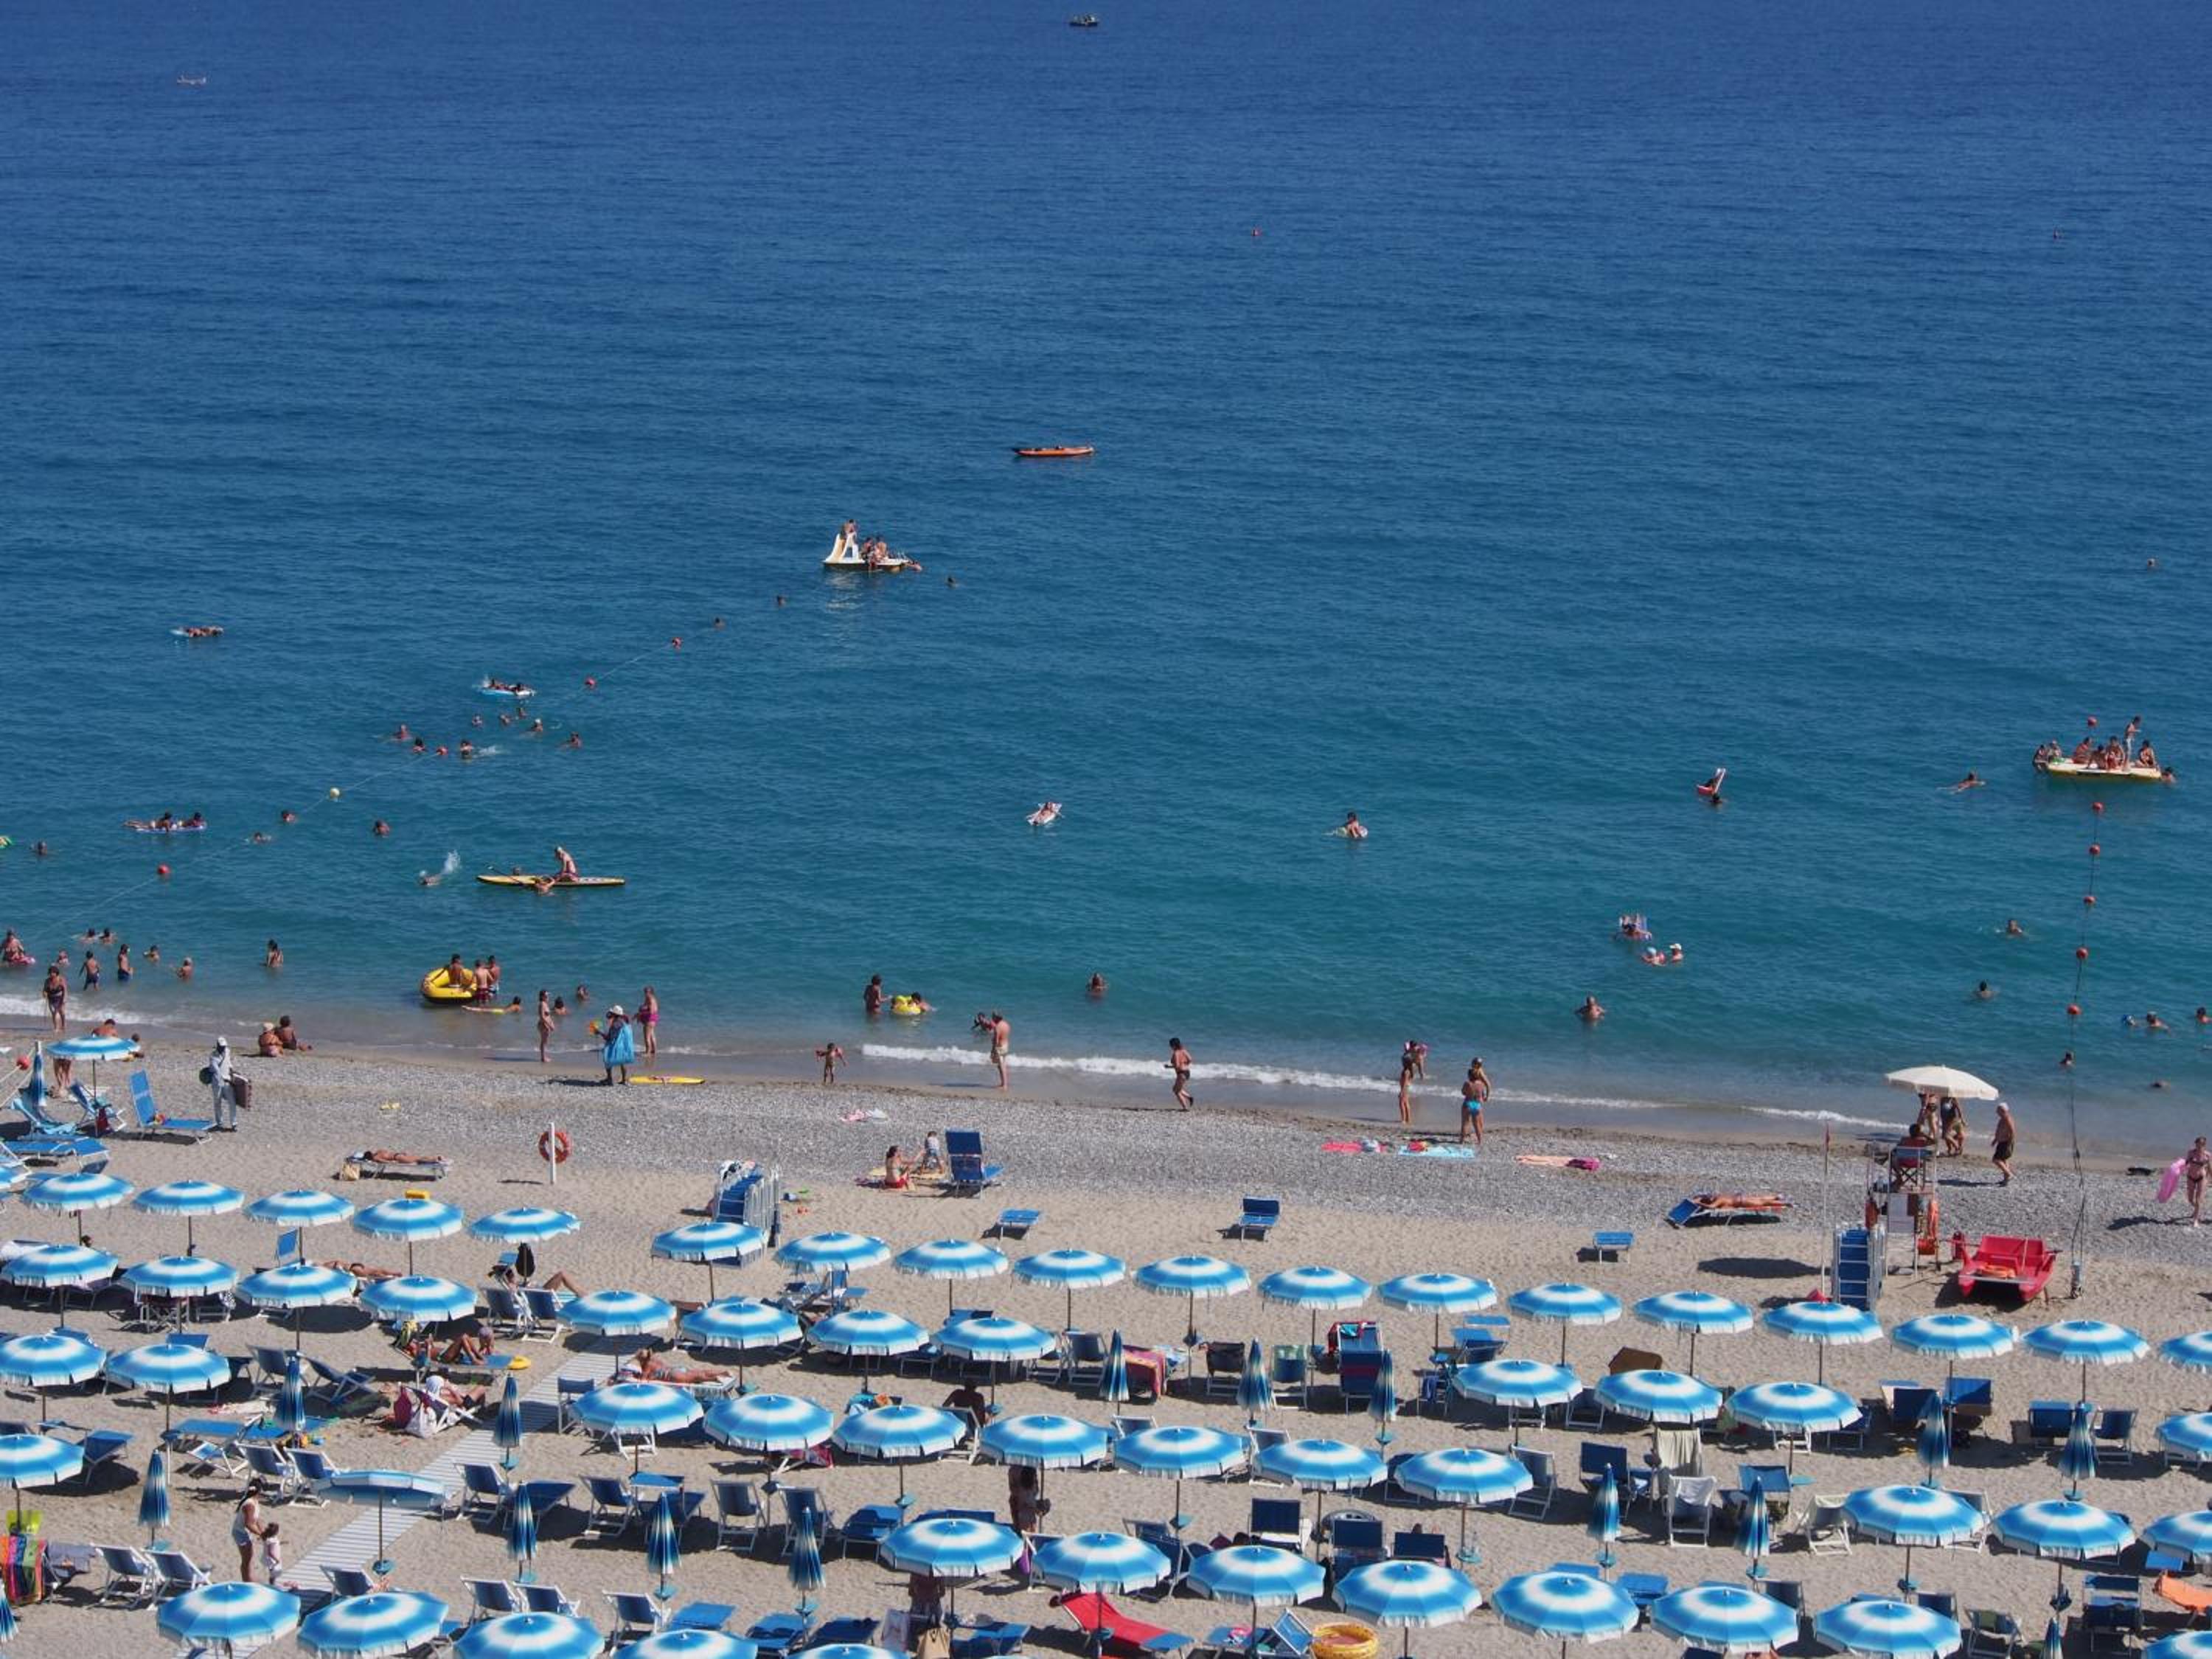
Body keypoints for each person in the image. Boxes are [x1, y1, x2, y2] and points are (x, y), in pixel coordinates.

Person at [232, 1481, 268, 1580]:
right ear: (258, 1491)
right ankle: (247, 1581)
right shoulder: (249, 1505)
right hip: (241, 1533)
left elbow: (256, 1519)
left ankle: (248, 1579)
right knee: (247, 1559)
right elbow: (249, 1524)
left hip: (243, 1532)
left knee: (249, 1558)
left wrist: (263, 1532)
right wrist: (260, 1534)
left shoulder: (253, 1500)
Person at [209, 1035, 239, 1130]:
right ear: (217, 1046)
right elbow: (217, 1071)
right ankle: (219, 1123)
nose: (223, 1048)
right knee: (217, 1103)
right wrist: (224, 1078)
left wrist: (232, 1072)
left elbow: (228, 1062)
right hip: (217, 1083)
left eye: (224, 1047)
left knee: (232, 1102)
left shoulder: (227, 1051)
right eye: (221, 1047)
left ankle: (234, 1123)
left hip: (227, 1082)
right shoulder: (213, 1056)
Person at [601, 1004, 635, 1085]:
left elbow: (609, 1038)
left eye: (612, 1013)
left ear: (614, 1014)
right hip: (623, 1045)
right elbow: (608, 1016)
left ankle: (609, 1079)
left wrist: (599, 1032)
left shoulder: (615, 1024)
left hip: (616, 1045)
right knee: (623, 1062)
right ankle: (624, 1080)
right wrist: (611, 1015)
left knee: (607, 1061)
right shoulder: (624, 1021)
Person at [1460, 1057, 1489, 1146]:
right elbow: (1482, 1094)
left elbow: (1463, 1092)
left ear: (1469, 1076)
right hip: (1477, 1105)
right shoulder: (1481, 1084)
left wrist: (1468, 1093)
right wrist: (1485, 1097)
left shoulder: (1467, 1083)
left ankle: (1462, 1140)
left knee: (1465, 1123)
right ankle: (1479, 1141)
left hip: (1468, 1104)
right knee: (1477, 1124)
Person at [1991, 1101, 2017, 1186]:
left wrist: (2009, 1143)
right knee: (2004, 1160)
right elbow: (1999, 1131)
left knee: (1996, 1160)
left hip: (2006, 1142)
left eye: (1998, 1110)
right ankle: (2006, 1180)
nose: (1997, 1112)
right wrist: (1995, 1140)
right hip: (2001, 1142)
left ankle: (2009, 1174)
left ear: (2003, 1110)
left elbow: (2012, 1132)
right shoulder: (2002, 1118)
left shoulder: (2008, 1119)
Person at [2188, 1137, 2212, 1227]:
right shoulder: (2191, 1153)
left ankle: (2196, 1220)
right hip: (2191, 1177)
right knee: (2190, 1199)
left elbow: (2210, 1168)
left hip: (2202, 1178)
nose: (2198, 1147)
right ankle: (2196, 1209)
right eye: (2197, 1145)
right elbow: (2186, 1163)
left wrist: (2211, 1179)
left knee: (2198, 1200)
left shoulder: (2208, 1155)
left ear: (2204, 1145)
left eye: (2201, 1145)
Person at [1167, 1037, 1194, 1111]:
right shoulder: (1184, 1051)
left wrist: (1169, 1067)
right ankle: (1190, 1098)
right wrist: (1185, 1064)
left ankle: (1185, 1108)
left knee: (1177, 1091)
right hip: (1187, 1072)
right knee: (1176, 1089)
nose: (1170, 1047)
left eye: (1171, 1045)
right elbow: (1190, 1059)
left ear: (1174, 1045)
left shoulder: (1176, 1053)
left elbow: (1177, 1066)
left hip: (1181, 1073)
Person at [1395, 1043, 1416, 1127]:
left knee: (1402, 1103)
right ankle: (1408, 1119)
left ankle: (1404, 1119)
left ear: (1406, 1063)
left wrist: (1402, 1091)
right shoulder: (1408, 1070)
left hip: (1404, 1088)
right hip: (1405, 1088)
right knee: (1406, 1102)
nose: (1402, 1063)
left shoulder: (1406, 1072)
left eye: (1403, 1062)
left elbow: (1405, 1082)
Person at [989, 1012, 1011, 1090]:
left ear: (996, 1018)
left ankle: (1004, 1085)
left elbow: (996, 1041)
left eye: (993, 1017)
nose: (992, 1018)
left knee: (1001, 1066)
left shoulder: (997, 1027)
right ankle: (1003, 1084)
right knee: (1001, 1065)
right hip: (1005, 1045)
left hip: (1000, 1047)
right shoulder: (1006, 1024)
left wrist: (993, 1050)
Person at [43, 961, 66, 1032]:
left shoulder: (61, 979)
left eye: (53, 973)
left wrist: (64, 999)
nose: (51, 974)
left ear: (56, 973)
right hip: (51, 998)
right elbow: (44, 990)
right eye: (50, 973)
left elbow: (65, 990)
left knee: (62, 1013)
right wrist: (44, 994)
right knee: (53, 1012)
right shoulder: (47, 981)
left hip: (60, 998)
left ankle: (63, 1025)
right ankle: (56, 1027)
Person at [259, 1521, 282, 1585]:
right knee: (273, 1573)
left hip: (272, 1558)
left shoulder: (270, 1538)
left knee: (273, 1572)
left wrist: (282, 1543)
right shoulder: (270, 1541)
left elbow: (276, 1544)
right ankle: (272, 1584)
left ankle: (272, 1583)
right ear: (276, 1532)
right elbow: (270, 1552)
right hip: (271, 1560)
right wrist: (277, 1560)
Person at [639, 985, 659, 1057]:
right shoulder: (649, 998)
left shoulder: (651, 999)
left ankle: (648, 1052)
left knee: (647, 1036)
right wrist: (641, 1009)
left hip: (650, 1019)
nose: (645, 993)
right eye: (645, 992)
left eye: (646, 992)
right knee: (652, 1034)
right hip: (652, 1019)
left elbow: (651, 1011)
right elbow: (645, 1007)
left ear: (650, 992)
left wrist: (641, 1013)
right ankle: (654, 1050)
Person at [536, 990, 554, 1063]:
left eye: (547, 995)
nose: (547, 997)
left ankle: (543, 1057)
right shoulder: (542, 1004)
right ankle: (543, 1058)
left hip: (546, 1025)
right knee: (544, 1041)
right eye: (546, 996)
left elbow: (548, 1016)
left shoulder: (545, 1004)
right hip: (543, 1025)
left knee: (544, 1041)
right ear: (542, 997)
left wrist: (552, 1023)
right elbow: (542, 1017)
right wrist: (549, 1025)